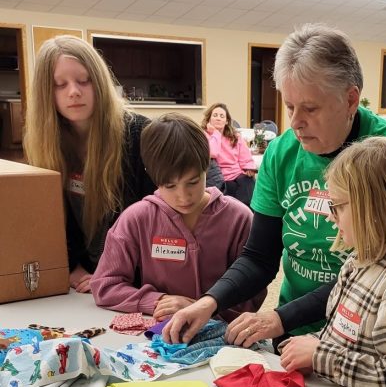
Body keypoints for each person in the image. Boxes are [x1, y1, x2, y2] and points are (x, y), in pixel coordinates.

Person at [163, 23, 386, 345]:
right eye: (289, 106)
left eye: (310, 108)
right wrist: (210, 301)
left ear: (350, 99)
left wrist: (280, 317)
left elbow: (377, 273)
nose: (295, 122)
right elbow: (260, 256)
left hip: (366, 335)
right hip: (293, 327)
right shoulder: (281, 152)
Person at [278, 137, 386, 387]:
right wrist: (308, 347)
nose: (330, 216)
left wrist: (320, 355)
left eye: (337, 205)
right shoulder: (357, 261)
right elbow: (342, 339)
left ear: (374, 208)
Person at [90, 113, 265, 322]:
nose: (183, 196)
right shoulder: (136, 219)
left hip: (223, 336)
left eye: (192, 182)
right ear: (152, 176)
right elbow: (105, 285)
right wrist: (159, 301)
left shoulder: (239, 218)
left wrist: (204, 307)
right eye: (169, 186)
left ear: (206, 167)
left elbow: (253, 292)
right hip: (157, 335)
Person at [23, 35, 155, 294]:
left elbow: (155, 221)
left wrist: (111, 275)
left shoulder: (139, 133)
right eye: (59, 85)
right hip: (80, 281)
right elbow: (46, 220)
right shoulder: (44, 144)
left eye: (84, 81)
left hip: (134, 281)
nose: (74, 91)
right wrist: (72, 267)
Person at [202, 102, 255, 203]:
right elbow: (213, 152)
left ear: (226, 121)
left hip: (237, 173)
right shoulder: (204, 135)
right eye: (215, 115)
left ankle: (249, 216)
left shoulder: (235, 136)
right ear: (209, 119)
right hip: (220, 177)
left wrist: (249, 167)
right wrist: (216, 133)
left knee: (249, 183)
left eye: (222, 116)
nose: (218, 118)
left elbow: (245, 156)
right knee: (231, 192)